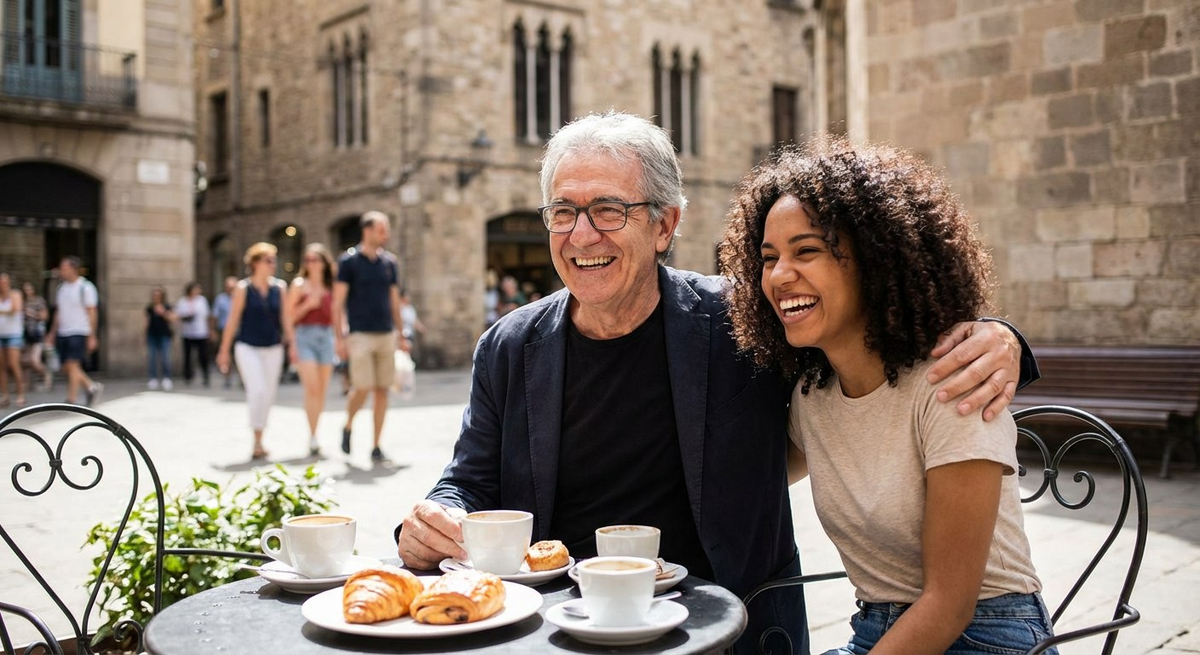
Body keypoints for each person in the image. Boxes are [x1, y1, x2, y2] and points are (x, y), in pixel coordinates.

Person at [394, 111, 1036, 654]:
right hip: (566, 623)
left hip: (733, 627)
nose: (580, 233)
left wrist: (997, 336)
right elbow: (470, 476)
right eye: (563, 211)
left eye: (608, 210)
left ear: (665, 226)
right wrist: (436, 517)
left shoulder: (747, 325)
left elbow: (870, 332)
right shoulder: (509, 345)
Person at [719, 138, 1055, 654]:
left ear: (877, 259)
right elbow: (741, 481)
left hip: (989, 636)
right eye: (768, 258)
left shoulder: (953, 382)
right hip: (874, 630)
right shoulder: (814, 399)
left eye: (806, 250)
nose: (780, 275)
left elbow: (950, 603)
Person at [332, 211, 409, 462]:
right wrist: (339, 338)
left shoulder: (390, 263)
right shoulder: (348, 262)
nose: (385, 234)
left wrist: (401, 333)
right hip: (359, 334)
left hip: (386, 333)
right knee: (362, 387)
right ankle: (348, 424)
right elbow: (338, 303)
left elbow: (394, 301)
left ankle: (376, 445)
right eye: (381, 229)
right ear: (367, 231)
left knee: (382, 390)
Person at [216, 243, 292, 460]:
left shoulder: (280, 288)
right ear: (256, 263)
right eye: (269, 260)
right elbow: (232, 321)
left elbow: (285, 319)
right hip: (247, 346)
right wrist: (224, 351)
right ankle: (256, 438)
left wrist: (292, 344)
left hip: (273, 347)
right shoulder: (243, 288)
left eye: (274, 260)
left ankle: (260, 438)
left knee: (268, 394)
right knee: (257, 390)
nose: (273, 264)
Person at [287, 243, 337, 457]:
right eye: (307, 260)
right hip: (304, 336)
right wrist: (308, 305)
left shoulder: (331, 286)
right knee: (312, 388)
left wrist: (341, 340)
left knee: (323, 389)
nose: (310, 264)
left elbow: (337, 315)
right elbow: (289, 317)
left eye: (314, 260)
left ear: (324, 263)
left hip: (326, 337)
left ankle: (316, 432)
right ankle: (312, 435)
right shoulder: (299, 284)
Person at [46, 257, 103, 406]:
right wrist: (52, 332)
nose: (61, 271)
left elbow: (92, 312)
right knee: (66, 367)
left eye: (64, 268)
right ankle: (91, 386)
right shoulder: (61, 288)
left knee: (73, 364)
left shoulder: (86, 287)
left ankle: (71, 399)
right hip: (63, 332)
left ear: (73, 269)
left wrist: (92, 335)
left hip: (79, 331)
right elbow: (59, 312)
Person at [175, 282, 212, 387]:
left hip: (201, 332)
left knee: (203, 356)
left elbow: (207, 315)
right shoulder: (183, 301)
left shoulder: (202, 300)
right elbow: (178, 314)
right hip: (187, 332)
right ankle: (188, 376)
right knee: (188, 356)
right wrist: (186, 317)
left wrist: (210, 330)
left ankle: (205, 375)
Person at [20, 281, 52, 392]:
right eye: (25, 290)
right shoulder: (22, 302)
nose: (27, 292)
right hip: (25, 334)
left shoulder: (39, 301)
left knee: (34, 360)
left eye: (29, 289)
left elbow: (45, 316)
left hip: (37, 334)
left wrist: (31, 314)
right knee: (25, 360)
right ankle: (26, 384)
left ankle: (47, 376)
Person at [0, 273, 25, 408]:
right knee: (1, 367)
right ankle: (5, 395)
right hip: (1, 334)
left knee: (14, 364)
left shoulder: (15, 294)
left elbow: (15, 308)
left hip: (13, 334)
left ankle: (21, 394)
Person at [145, 286, 175, 390]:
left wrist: (163, 313)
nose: (156, 297)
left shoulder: (167, 306)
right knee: (152, 358)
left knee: (165, 357)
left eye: (158, 295)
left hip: (164, 335)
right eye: (155, 295)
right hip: (152, 335)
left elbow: (172, 319)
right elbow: (147, 322)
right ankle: (153, 378)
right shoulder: (149, 307)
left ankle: (167, 378)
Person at [212, 275, 237, 389]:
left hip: (240, 330)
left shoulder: (240, 297)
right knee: (227, 354)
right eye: (228, 286)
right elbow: (215, 316)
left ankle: (243, 380)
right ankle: (227, 378)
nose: (230, 289)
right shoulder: (220, 299)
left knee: (239, 356)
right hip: (224, 330)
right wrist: (212, 330)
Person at [399, 288, 426, 364]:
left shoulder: (410, 308)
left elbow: (414, 320)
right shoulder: (399, 308)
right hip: (403, 333)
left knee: (408, 351)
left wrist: (421, 328)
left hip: (409, 332)